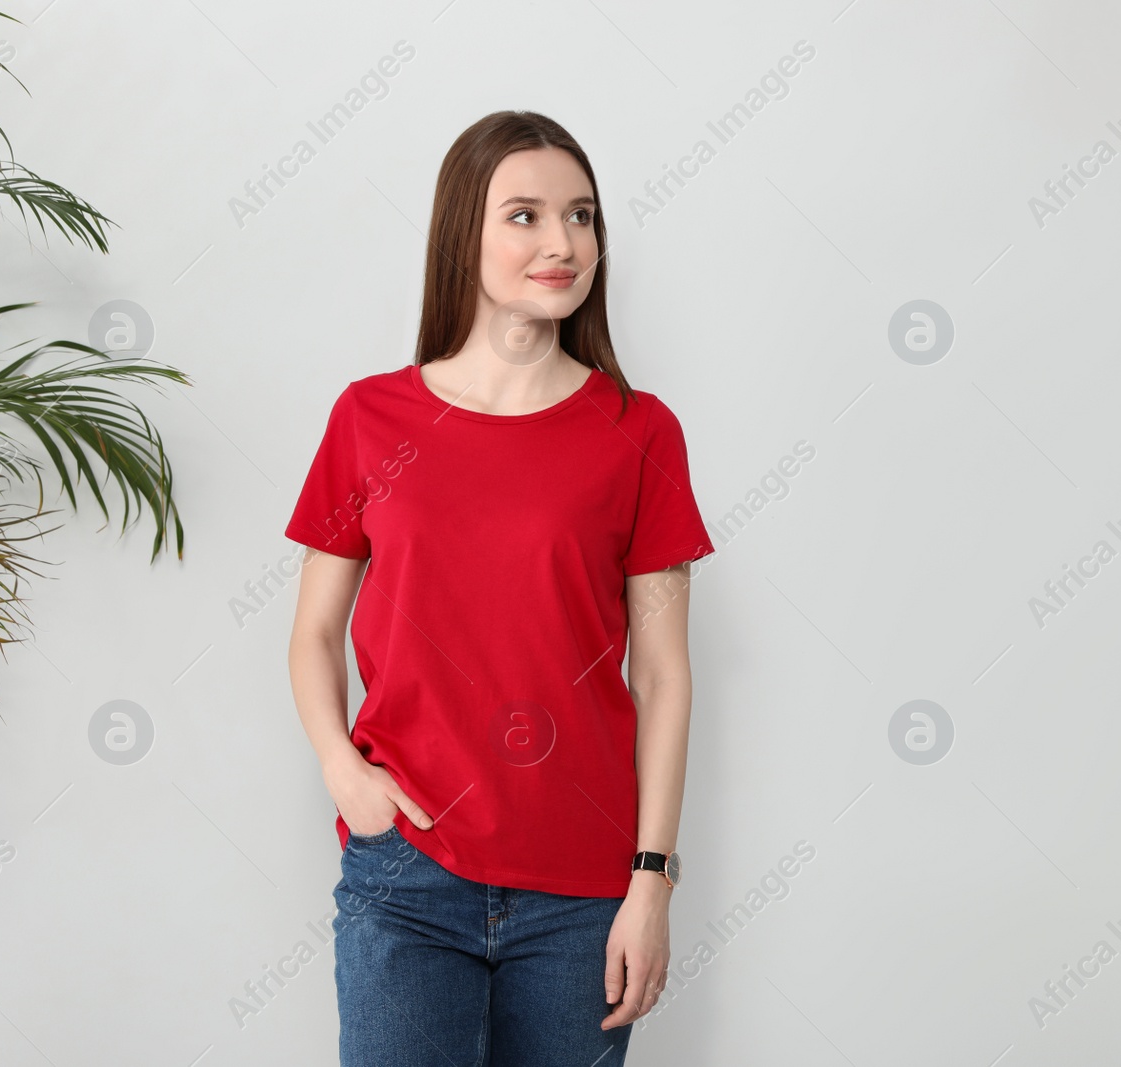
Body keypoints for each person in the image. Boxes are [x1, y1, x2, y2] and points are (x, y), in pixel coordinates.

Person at [284, 110, 714, 1066]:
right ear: (461, 233)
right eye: (524, 214)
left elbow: (665, 677)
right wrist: (344, 774)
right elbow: (314, 631)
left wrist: (651, 881)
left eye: (582, 215)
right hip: (406, 873)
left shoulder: (641, 434)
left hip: (584, 893)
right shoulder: (370, 417)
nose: (562, 243)